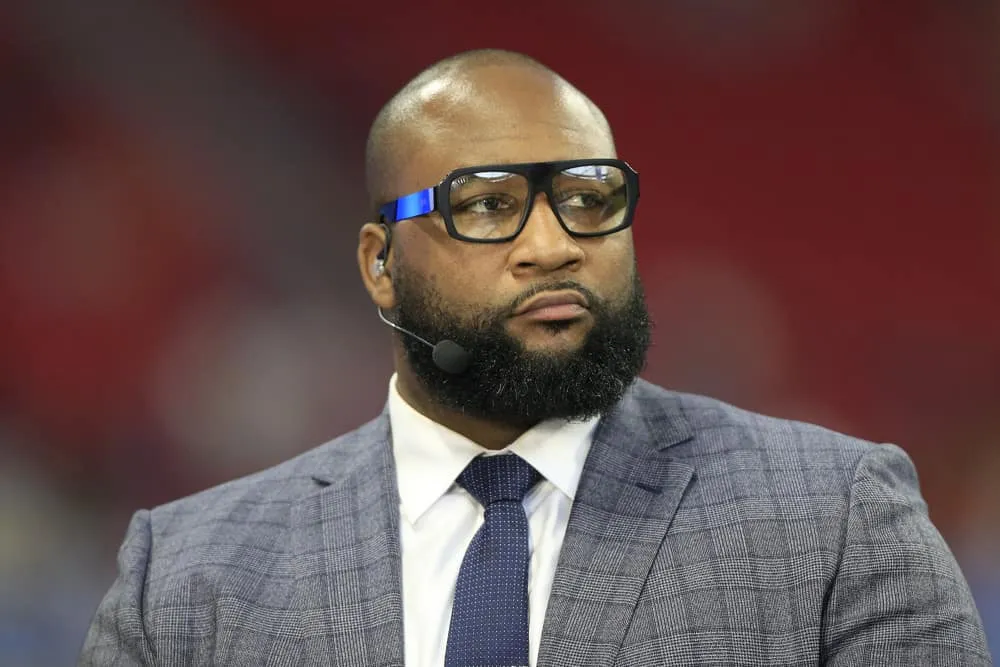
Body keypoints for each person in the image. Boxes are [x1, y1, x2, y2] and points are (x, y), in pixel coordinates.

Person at [81, 49, 992, 666]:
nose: (555, 244)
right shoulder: (190, 577)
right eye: (487, 205)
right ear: (379, 264)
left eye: (591, 199)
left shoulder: (834, 520)